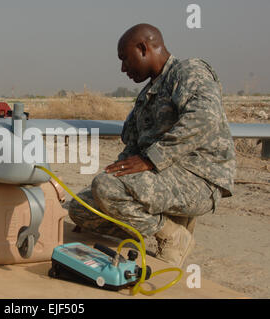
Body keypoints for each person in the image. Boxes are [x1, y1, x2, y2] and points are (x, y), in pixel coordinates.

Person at [68, 23, 236, 267]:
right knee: (81, 208)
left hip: (199, 177)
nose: (123, 68)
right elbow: (132, 149)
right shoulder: (146, 95)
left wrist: (150, 159)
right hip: (161, 177)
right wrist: (112, 175)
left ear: (143, 48)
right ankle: (151, 225)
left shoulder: (188, 71)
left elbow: (203, 117)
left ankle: (173, 236)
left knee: (106, 188)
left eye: (125, 59)